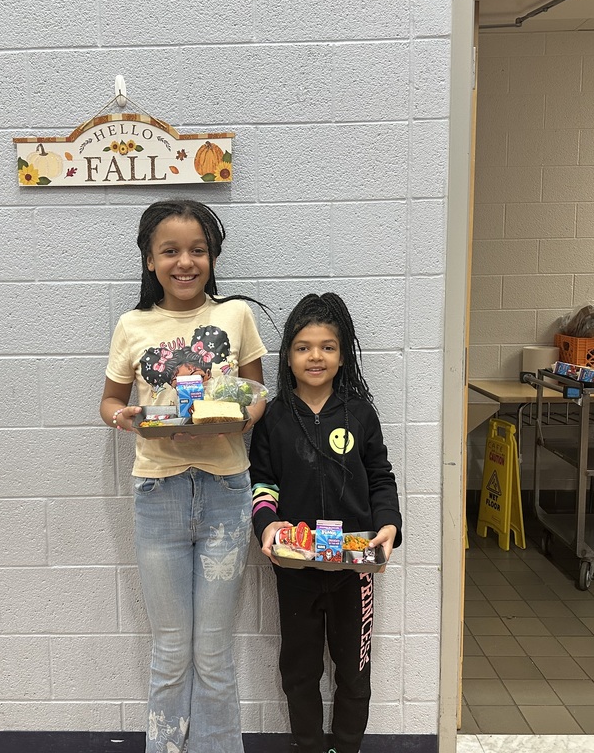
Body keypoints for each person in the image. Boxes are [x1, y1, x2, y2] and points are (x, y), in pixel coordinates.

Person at [99, 199, 268, 753]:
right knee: (171, 650)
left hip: (226, 491)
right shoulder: (132, 324)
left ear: (212, 257)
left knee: (215, 652)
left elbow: (257, 392)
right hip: (158, 492)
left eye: (197, 250)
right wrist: (124, 420)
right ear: (150, 260)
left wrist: (242, 415)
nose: (185, 262)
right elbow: (110, 402)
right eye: (170, 251)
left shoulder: (236, 316)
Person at [249, 292, 402, 753]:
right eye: (303, 346)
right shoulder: (274, 417)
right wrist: (268, 527)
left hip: (355, 569)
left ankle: (348, 746)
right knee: (299, 670)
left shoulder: (360, 414)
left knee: (354, 670)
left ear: (343, 355)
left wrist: (389, 525)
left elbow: (380, 476)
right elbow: (263, 482)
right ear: (288, 356)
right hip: (296, 569)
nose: (315, 356)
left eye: (328, 346)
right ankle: (310, 746)